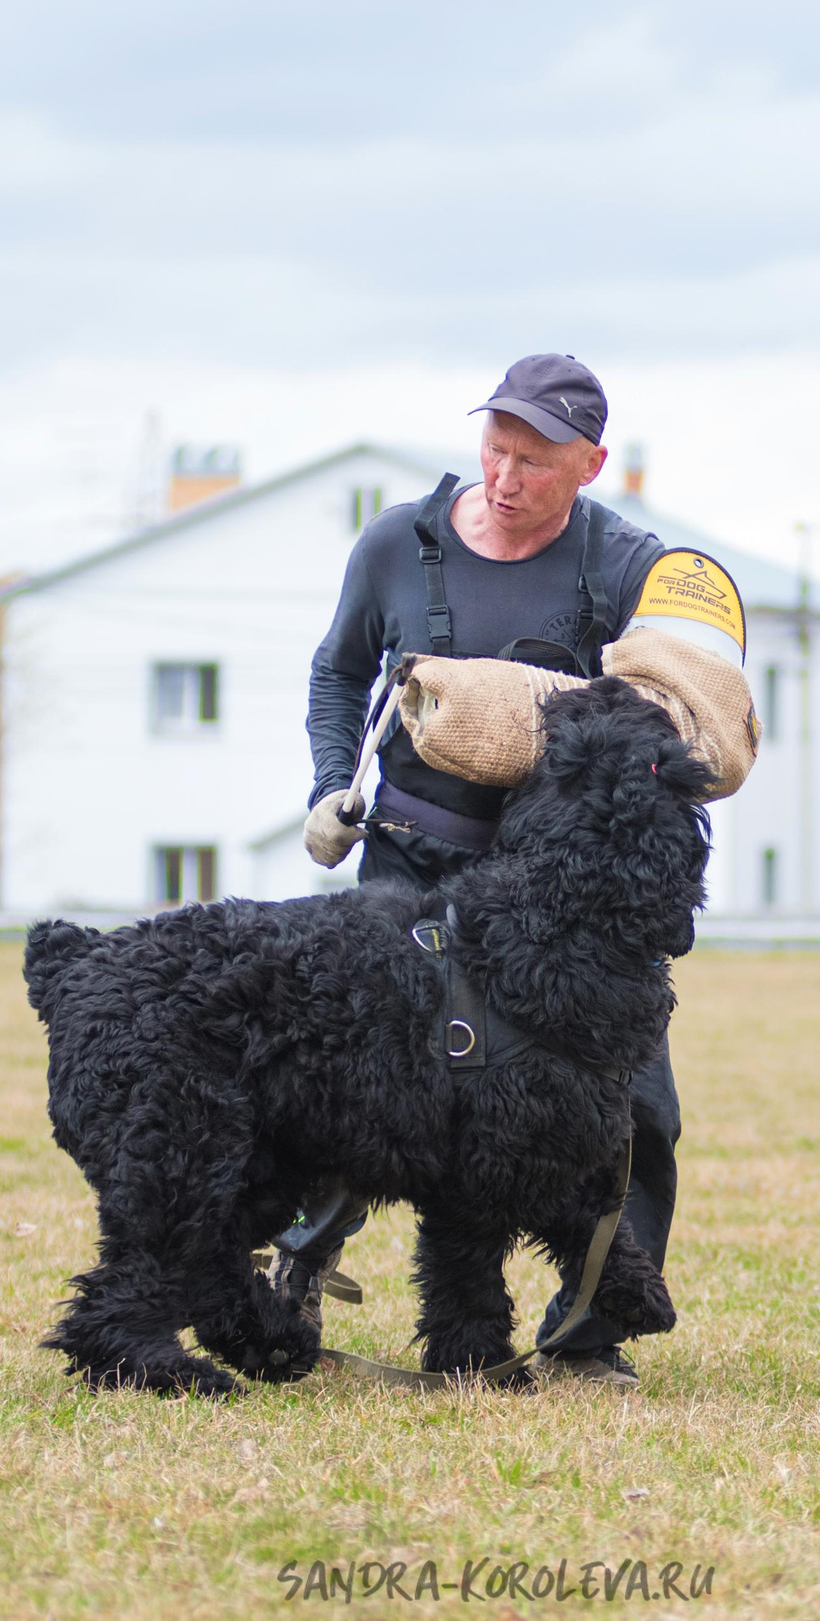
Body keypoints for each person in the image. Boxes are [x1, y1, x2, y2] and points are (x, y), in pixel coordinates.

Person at [287, 353, 678, 1390]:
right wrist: (332, 784)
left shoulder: (626, 569)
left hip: (556, 894)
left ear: (589, 465)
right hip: (409, 860)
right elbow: (335, 670)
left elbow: (684, 692)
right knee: (355, 1084)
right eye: (494, 450)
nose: (504, 478)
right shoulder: (396, 544)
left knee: (631, 1105)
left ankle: (588, 1332)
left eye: (535, 462)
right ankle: (289, 1276)